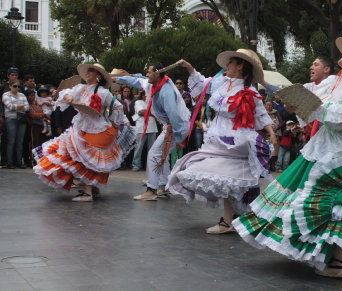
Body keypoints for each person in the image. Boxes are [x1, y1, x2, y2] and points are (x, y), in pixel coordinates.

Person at [234, 37, 342, 278]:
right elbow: (308, 98)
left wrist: (315, 108)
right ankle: (320, 252)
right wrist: (295, 104)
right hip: (320, 148)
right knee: (318, 203)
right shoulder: (332, 83)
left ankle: (338, 259)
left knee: (340, 203)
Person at [167, 48, 276, 234]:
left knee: (229, 179)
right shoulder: (220, 83)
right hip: (218, 137)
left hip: (238, 141)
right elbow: (201, 85)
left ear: (240, 66)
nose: (227, 65)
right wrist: (190, 68)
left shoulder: (248, 90)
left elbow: (260, 113)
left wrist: (271, 133)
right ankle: (233, 220)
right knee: (221, 177)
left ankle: (230, 221)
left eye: (231, 62)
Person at [33, 63, 131, 202]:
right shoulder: (81, 88)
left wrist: (115, 121)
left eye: (91, 71)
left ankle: (88, 192)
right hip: (81, 126)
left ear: (98, 76)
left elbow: (117, 106)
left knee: (89, 160)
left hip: (98, 129)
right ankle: (94, 190)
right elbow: (66, 94)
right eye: (88, 71)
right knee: (79, 157)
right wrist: (69, 98)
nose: (88, 73)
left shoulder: (103, 92)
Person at [114, 63, 190, 201]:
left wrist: (179, 137)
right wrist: (119, 78)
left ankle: (152, 189)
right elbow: (137, 80)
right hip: (172, 125)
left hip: (176, 125)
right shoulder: (153, 83)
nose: (147, 74)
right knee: (160, 154)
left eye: (149, 72)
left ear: (157, 74)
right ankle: (165, 187)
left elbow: (174, 115)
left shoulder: (166, 91)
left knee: (154, 154)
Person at [2, 79, 29, 169]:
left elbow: (27, 107)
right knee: (11, 141)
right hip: (11, 119)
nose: (17, 88)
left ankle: (19, 162)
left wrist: (16, 105)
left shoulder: (22, 95)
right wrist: (21, 105)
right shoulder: (6, 94)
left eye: (18, 86)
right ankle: (10, 162)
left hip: (21, 119)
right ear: (10, 86)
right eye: (15, 86)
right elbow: (9, 106)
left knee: (20, 141)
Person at [131, 89, 158, 171]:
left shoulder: (153, 103)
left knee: (152, 149)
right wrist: (152, 113)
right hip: (141, 128)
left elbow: (157, 113)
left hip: (152, 128)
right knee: (139, 148)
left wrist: (150, 113)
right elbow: (142, 112)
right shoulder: (138, 102)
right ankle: (136, 165)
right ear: (143, 95)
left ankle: (150, 165)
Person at [265, 100, 283, 171]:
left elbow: (281, 122)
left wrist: (277, 127)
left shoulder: (276, 112)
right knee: (267, 150)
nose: (269, 106)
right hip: (266, 134)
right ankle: (267, 166)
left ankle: (273, 165)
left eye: (270, 105)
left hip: (275, 134)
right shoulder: (263, 113)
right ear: (265, 106)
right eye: (268, 105)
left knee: (275, 150)